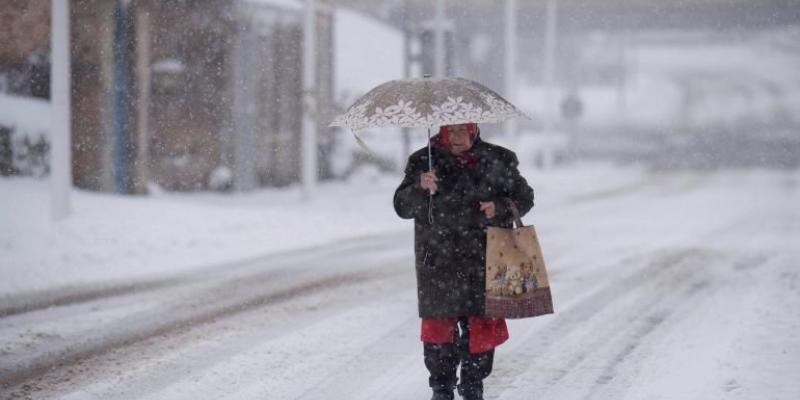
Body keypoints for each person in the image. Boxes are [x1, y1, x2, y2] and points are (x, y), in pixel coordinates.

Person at [394, 123, 534, 400]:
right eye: (451, 131)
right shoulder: (423, 161)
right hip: (437, 261)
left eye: (462, 131)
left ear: (474, 130)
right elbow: (401, 206)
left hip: (485, 259)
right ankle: (441, 388)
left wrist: (499, 207)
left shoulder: (498, 159)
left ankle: (473, 386)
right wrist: (420, 187)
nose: (456, 137)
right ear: (441, 132)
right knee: (438, 330)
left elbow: (525, 197)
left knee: (481, 328)